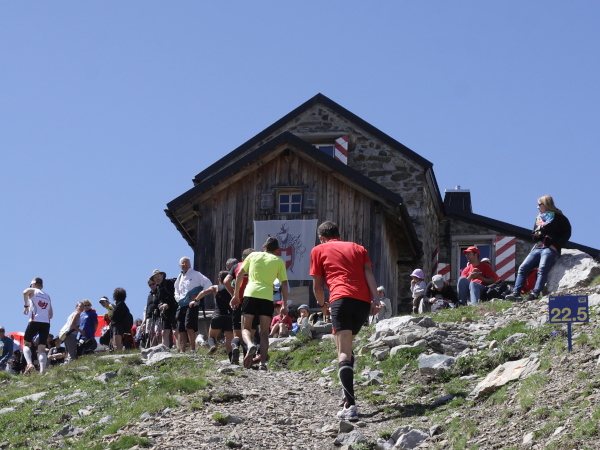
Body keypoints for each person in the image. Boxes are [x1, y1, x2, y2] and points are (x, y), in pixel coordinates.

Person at [310, 221, 379, 421]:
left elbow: (317, 286)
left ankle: (351, 405)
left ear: (321, 238)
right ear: (338, 235)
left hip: (340, 298)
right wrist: (376, 299)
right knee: (346, 347)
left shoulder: (318, 250)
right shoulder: (358, 248)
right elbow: (368, 273)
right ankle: (345, 393)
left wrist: (322, 304)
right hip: (362, 302)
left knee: (343, 353)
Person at [231, 237, 289, 371]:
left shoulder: (252, 255)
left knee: (245, 328)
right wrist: (284, 304)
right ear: (277, 250)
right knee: (264, 333)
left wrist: (236, 295)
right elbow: (284, 284)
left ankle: (250, 344)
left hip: (250, 294)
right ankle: (262, 363)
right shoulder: (279, 261)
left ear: (264, 247)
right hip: (267, 297)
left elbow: (239, 274)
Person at [506, 195, 572, 302]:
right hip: (538, 247)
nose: (537, 207)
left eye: (539, 204)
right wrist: (536, 235)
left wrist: (556, 245)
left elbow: (567, 233)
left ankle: (535, 293)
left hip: (550, 249)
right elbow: (533, 236)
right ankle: (516, 292)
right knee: (523, 268)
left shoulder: (559, 218)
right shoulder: (539, 218)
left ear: (546, 204)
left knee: (542, 269)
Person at [174, 257, 213, 354]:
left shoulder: (196, 274)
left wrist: (198, 296)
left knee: (190, 327)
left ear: (190, 264)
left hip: (192, 304)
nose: (184, 265)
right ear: (179, 265)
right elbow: (176, 289)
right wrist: (178, 298)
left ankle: (193, 350)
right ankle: (182, 350)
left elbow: (208, 283)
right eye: (182, 263)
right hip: (181, 304)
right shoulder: (179, 277)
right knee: (181, 328)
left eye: (186, 262)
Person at [224, 248, 256, 364]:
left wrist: (234, 295)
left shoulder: (236, 266)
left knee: (237, 335)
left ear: (242, 258)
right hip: (252, 301)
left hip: (238, 302)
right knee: (249, 333)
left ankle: (235, 347)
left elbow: (226, 281)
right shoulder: (256, 266)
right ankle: (247, 360)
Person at [22, 277, 53, 375]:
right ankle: (42, 371)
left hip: (34, 320)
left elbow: (25, 292)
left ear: (33, 284)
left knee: (26, 344)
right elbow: (51, 315)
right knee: (41, 349)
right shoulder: (47, 296)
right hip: (46, 323)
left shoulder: (33, 290)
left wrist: (26, 305)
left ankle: (29, 364)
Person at [205, 271, 234, 358]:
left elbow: (204, 292)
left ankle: (212, 345)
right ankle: (232, 358)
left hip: (217, 315)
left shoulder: (216, 287)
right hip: (229, 316)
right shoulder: (233, 290)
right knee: (229, 340)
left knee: (211, 336)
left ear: (219, 280)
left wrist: (195, 300)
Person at [152, 269, 177, 349]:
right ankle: (165, 350)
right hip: (165, 312)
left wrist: (168, 304)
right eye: (155, 277)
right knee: (164, 332)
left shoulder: (169, 283)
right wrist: (159, 306)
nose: (157, 278)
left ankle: (179, 348)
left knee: (175, 330)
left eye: (158, 276)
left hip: (174, 309)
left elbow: (175, 296)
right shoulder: (158, 288)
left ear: (162, 275)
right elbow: (159, 300)